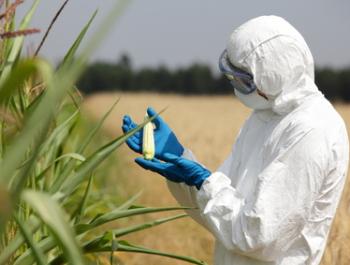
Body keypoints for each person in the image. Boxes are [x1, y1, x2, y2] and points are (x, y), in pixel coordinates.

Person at [121, 15, 349, 265]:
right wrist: (182, 165)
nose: (237, 87)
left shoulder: (312, 130)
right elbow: (221, 217)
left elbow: (256, 236)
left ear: (274, 74)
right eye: (232, 78)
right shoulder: (263, 117)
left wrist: (202, 181)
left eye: (243, 79)